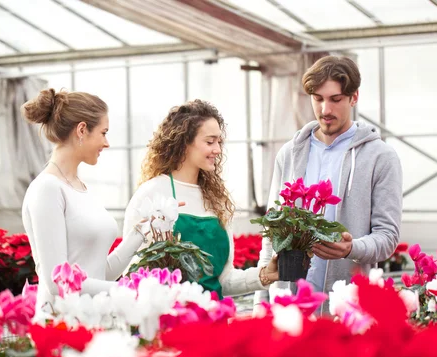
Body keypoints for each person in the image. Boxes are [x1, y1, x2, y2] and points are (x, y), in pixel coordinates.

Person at [255, 56, 403, 312]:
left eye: (335, 99)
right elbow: (271, 232)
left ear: (354, 97)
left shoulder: (380, 157)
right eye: (318, 98)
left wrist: (351, 248)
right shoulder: (289, 154)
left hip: (347, 308)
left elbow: (387, 237)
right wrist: (261, 300)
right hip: (289, 307)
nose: (325, 110)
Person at [124, 99, 278, 298]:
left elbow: (223, 280)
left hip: (214, 320)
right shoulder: (151, 194)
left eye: (219, 142)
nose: (218, 150)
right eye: (209, 141)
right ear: (184, 142)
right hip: (169, 320)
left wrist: (264, 275)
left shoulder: (217, 200)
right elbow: (133, 272)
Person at [21, 89, 146, 311]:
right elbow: (58, 283)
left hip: (93, 319)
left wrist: (141, 232)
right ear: (82, 129)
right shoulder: (47, 188)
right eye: (103, 132)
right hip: (62, 326)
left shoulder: (81, 188)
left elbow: (100, 272)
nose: (106, 143)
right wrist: (129, 291)